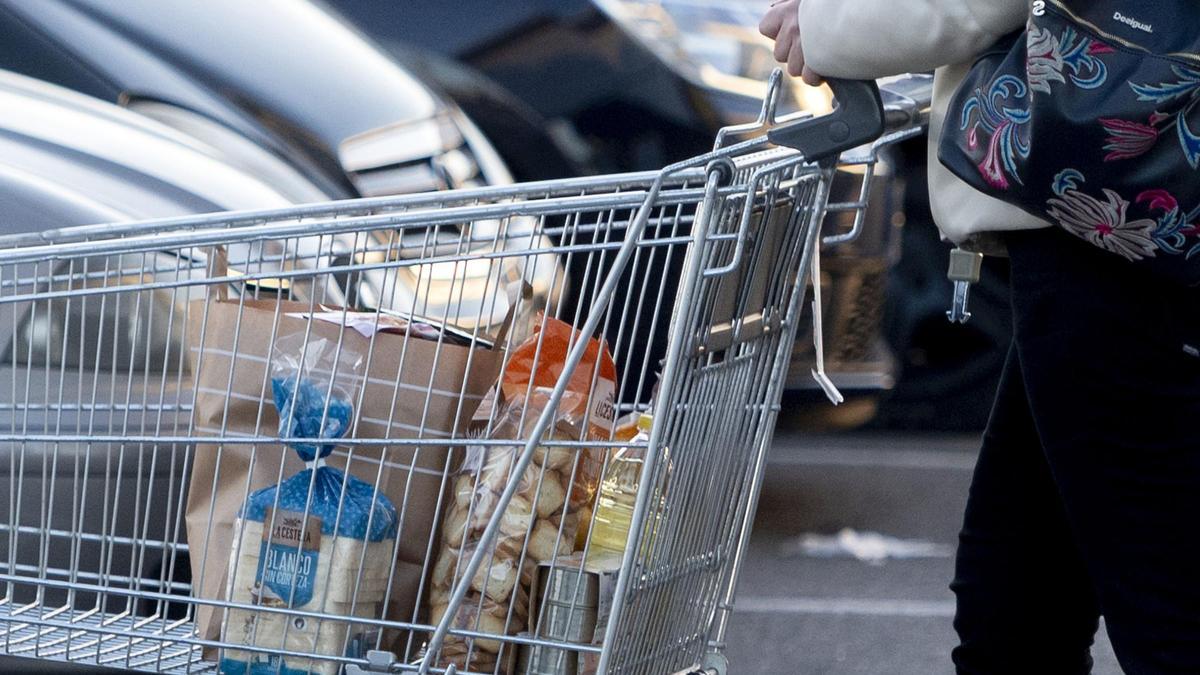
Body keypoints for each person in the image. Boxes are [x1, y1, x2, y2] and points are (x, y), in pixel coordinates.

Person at [760, 2, 1200, 674]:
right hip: (1120, 227)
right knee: (1013, 608)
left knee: (1161, 614)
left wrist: (825, 25)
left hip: (1116, 230)